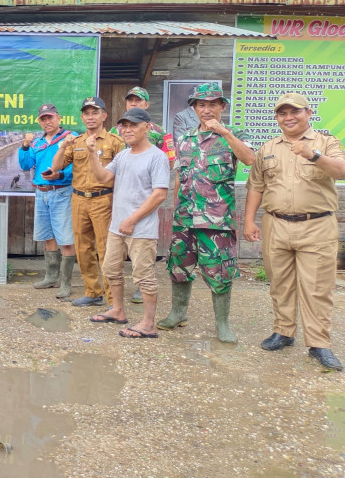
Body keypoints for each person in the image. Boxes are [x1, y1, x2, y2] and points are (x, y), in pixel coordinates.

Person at [243, 93, 345, 371]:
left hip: (317, 225)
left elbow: (342, 170)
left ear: (308, 113)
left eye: (294, 112)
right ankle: (284, 331)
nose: (288, 117)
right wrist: (249, 221)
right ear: (277, 117)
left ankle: (319, 344)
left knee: (317, 287)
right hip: (276, 224)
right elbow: (256, 185)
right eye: (282, 113)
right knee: (280, 283)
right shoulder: (268, 148)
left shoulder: (326, 142)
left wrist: (313, 155)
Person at [157, 82, 255, 343]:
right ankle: (178, 313)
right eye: (202, 104)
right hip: (185, 218)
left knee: (220, 272)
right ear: (194, 108)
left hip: (217, 221)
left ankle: (222, 324)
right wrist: (176, 209)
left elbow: (250, 160)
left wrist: (225, 133)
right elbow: (180, 176)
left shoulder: (234, 134)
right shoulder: (184, 139)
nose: (208, 109)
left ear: (222, 106)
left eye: (213, 104)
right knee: (179, 267)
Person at [86, 108, 170, 338]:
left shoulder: (157, 157)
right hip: (118, 227)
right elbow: (103, 178)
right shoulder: (123, 155)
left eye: (133, 125)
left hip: (140, 229)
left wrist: (132, 220)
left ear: (146, 127)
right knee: (111, 269)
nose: (127, 130)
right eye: (124, 125)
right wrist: (93, 154)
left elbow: (159, 194)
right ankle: (118, 310)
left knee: (143, 276)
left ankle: (148, 324)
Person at [52, 97, 125, 304]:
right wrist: (61, 147)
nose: (90, 117)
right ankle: (92, 293)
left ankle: (113, 300)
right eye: (86, 113)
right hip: (78, 200)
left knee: (106, 250)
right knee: (83, 248)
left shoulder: (115, 142)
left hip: (103, 200)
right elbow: (57, 167)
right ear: (82, 117)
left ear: (104, 115)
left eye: (95, 112)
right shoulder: (76, 141)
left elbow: (123, 174)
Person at [110, 86, 176, 304]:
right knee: (112, 260)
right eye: (130, 100)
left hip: (144, 198)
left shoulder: (161, 132)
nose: (134, 103)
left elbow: (170, 160)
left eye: (139, 100)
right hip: (119, 195)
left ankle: (141, 291)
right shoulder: (114, 131)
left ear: (147, 105)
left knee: (142, 258)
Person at [18, 103, 77, 298]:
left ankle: (66, 283)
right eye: (43, 119)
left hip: (61, 191)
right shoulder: (37, 142)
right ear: (39, 122)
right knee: (48, 236)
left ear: (59, 118)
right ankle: (51, 277)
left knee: (66, 238)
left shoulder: (71, 137)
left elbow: (78, 166)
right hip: (41, 193)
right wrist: (25, 147)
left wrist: (59, 175)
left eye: (50, 117)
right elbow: (26, 165)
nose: (47, 121)